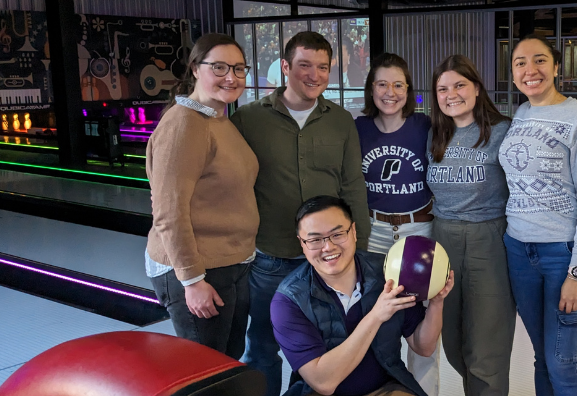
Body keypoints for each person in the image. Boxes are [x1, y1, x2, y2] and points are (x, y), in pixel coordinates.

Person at [230, 31, 371, 396]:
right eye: (305, 65)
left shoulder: (341, 121)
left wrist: (361, 247)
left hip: (330, 257)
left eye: (323, 67)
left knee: (329, 346)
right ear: (286, 67)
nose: (314, 75)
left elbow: (353, 185)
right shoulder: (248, 119)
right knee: (262, 346)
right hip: (271, 257)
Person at [499, 34, 577, 396]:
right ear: (512, 72)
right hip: (518, 250)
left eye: (540, 60)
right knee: (542, 357)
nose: (530, 70)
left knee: (562, 362)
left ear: (557, 66)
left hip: (561, 253)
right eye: (520, 63)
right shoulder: (522, 113)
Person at [145, 33, 259, 358]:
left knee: (226, 362)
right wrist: (192, 281)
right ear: (195, 68)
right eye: (219, 67)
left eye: (239, 69)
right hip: (200, 269)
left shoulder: (217, 119)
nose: (231, 77)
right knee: (204, 373)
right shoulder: (185, 125)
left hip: (231, 264)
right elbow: (169, 213)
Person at [271, 195, 454, 396]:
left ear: (354, 232)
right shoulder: (288, 301)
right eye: (315, 240)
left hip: (384, 388)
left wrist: (437, 302)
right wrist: (376, 316)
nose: (328, 247)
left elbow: (423, 347)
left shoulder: (388, 273)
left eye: (337, 234)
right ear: (302, 243)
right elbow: (323, 383)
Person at [426, 54, 516, 396]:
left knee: (486, 345)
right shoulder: (435, 134)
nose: (451, 94)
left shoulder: (503, 131)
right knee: (453, 340)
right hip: (443, 237)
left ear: (477, 88)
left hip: (488, 239)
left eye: (460, 85)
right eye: (442, 88)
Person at [355, 53, 439, 396]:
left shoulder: (425, 126)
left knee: (422, 321)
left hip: (419, 229)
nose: (390, 92)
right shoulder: (357, 128)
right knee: (374, 316)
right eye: (382, 84)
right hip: (373, 231)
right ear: (371, 89)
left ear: (409, 89)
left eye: (398, 84)